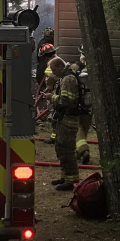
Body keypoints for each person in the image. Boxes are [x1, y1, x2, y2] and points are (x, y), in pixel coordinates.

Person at [47, 56, 82, 191]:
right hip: (63, 119)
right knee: (61, 148)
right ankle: (65, 176)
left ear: (61, 67)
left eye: (54, 69)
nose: (53, 72)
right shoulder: (63, 78)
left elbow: (67, 101)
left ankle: (71, 180)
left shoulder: (68, 79)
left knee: (67, 150)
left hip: (69, 120)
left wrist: (52, 98)